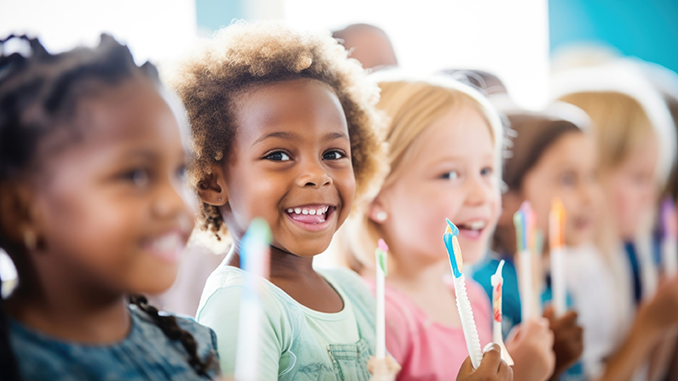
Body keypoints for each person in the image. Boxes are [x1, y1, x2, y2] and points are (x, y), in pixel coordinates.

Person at [0, 34, 220, 380]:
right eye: (134, 175)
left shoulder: (196, 347)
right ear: (20, 211)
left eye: (180, 171)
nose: (176, 201)